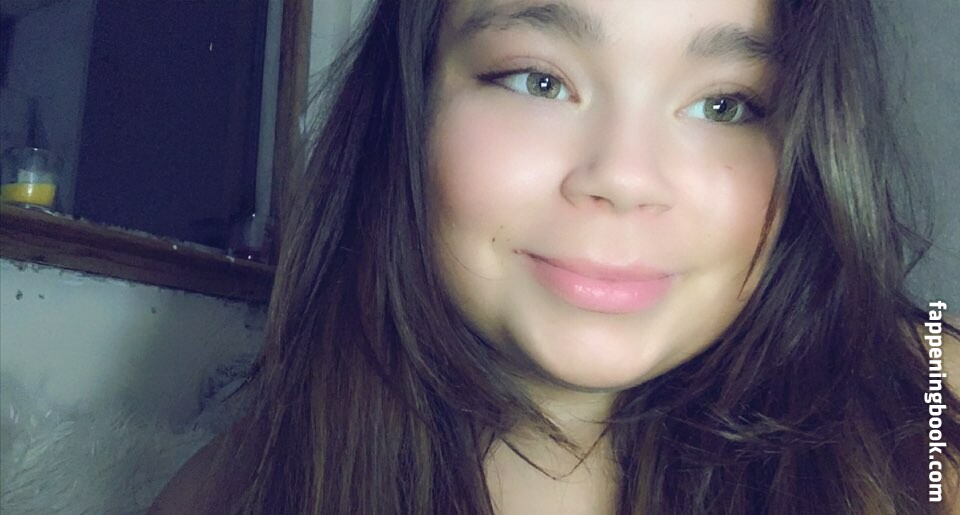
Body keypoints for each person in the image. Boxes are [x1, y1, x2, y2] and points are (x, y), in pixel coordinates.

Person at [152, 0, 960, 513]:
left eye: (724, 104)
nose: (626, 177)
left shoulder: (927, 412)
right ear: (409, 109)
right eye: (537, 81)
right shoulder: (245, 487)